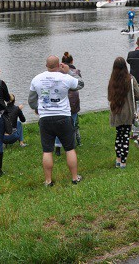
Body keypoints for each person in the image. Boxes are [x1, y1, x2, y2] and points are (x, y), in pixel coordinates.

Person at [28, 55, 84, 186]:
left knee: (47, 150)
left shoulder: (37, 79)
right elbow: (80, 84)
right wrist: (68, 71)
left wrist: (38, 108)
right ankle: (75, 178)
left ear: (46, 65)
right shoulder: (65, 77)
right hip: (63, 116)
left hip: (45, 118)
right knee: (69, 148)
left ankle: (48, 180)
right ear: (59, 65)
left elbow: (31, 101)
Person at [108, 57, 139, 168]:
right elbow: (138, 95)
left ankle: (118, 160)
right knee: (126, 137)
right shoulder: (131, 79)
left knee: (118, 136)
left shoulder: (112, 80)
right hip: (128, 112)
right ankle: (123, 162)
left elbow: (109, 96)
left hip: (116, 112)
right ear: (125, 66)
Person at [55, 51, 84, 154]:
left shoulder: (57, 73)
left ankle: (58, 147)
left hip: (61, 100)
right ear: (72, 61)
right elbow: (80, 83)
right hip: (73, 102)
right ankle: (70, 146)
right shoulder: (76, 72)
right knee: (71, 124)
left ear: (62, 63)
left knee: (59, 126)